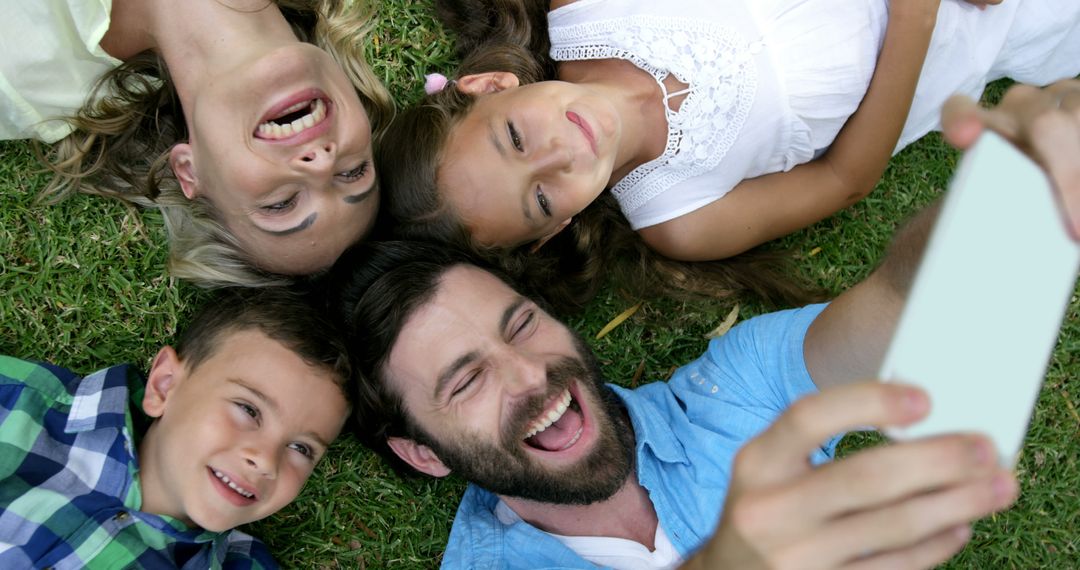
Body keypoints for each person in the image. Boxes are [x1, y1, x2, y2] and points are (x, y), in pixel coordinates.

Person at [331, 79, 1080, 568]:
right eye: (465, 381)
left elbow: (907, 303)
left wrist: (1012, 196)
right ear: (424, 454)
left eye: (522, 325)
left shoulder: (730, 393)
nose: (531, 375)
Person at [377, 0, 1080, 310]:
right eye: (540, 198)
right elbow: (846, 177)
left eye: (515, 138)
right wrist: (916, 14)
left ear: (492, 84)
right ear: (557, 228)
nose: (558, 155)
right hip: (977, 33)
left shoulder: (589, 7)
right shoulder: (681, 216)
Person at [0, 0, 393, 287]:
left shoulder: (24, 79)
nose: (321, 163)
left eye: (281, 204)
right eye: (353, 172)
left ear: (190, 171)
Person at [0, 287, 352, 568]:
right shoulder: (22, 403)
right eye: (249, 409)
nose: (264, 460)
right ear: (165, 385)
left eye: (302, 448)